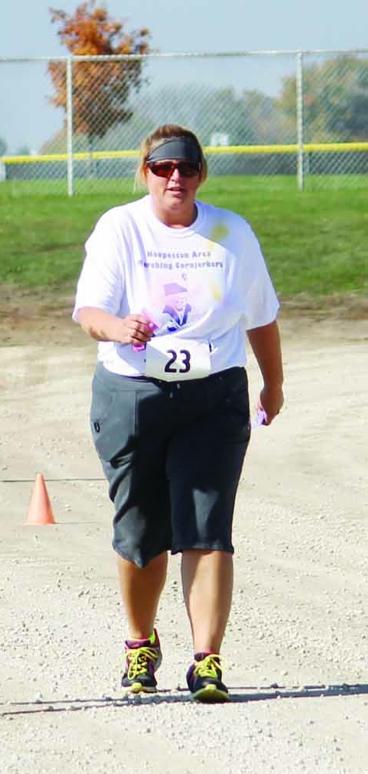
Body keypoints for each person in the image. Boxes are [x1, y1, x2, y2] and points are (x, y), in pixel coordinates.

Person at [73, 124, 285, 703]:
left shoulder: (230, 233)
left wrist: (273, 381)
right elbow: (89, 309)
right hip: (132, 393)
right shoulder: (121, 227)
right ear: (144, 171)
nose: (175, 178)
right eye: (163, 167)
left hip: (213, 395)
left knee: (208, 528)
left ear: (200, 175)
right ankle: (140, 643)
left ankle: (207, 660)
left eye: (186, 168)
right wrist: (118, 327)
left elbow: (260, 314)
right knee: (141, 534)